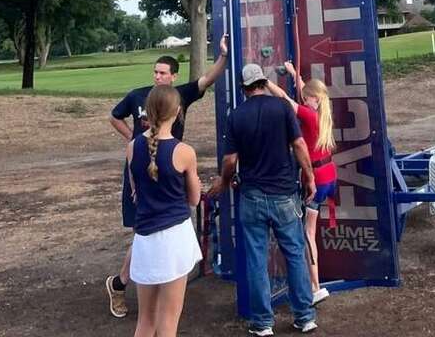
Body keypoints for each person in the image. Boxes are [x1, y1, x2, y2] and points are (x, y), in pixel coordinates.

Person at [105, 36, 228, 318]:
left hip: (170, 168)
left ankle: (123, 283)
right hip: (142, 170)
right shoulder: (138, 95)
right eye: (155, 72)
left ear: (173, 76)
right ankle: (123, 285)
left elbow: (207, 79)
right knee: (145, 229)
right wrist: (132, 138)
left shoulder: (180, 95)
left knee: (160, 229)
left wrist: (222, 56)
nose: (157, 76)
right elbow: (114, 116)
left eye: (163, 72)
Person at [210, 63, 318, 336]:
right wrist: (309, 176)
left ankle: (262, 323)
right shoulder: (281, 108)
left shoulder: (236, 116)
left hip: (252, 196)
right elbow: (299, 145)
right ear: (263, 82)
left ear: (244, 88)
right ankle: (304, 317)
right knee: (295, 254)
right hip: (284, 194)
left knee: (257, 259)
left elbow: (230, 160)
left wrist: (225, 181)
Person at [125, 85, 202, 337]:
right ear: (178, 111)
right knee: (168, 322)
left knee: (145, 321)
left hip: (145, 239)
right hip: (173, 239)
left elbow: (135, 192)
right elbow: (194, 198)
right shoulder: (184, 152)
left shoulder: (132, 147)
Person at [267, 61, 337, 304]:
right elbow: (305, 91)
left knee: (308, 234)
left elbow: (287, 99)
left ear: (314, 100)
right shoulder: (324, 114)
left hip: (316, 179)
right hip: (329, 176)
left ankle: (315, 287)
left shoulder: (308, 113)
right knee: (310, 230)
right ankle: (314, 283)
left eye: (307, 98)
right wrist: (296, 74)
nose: (304, 99)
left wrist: (266, 82)